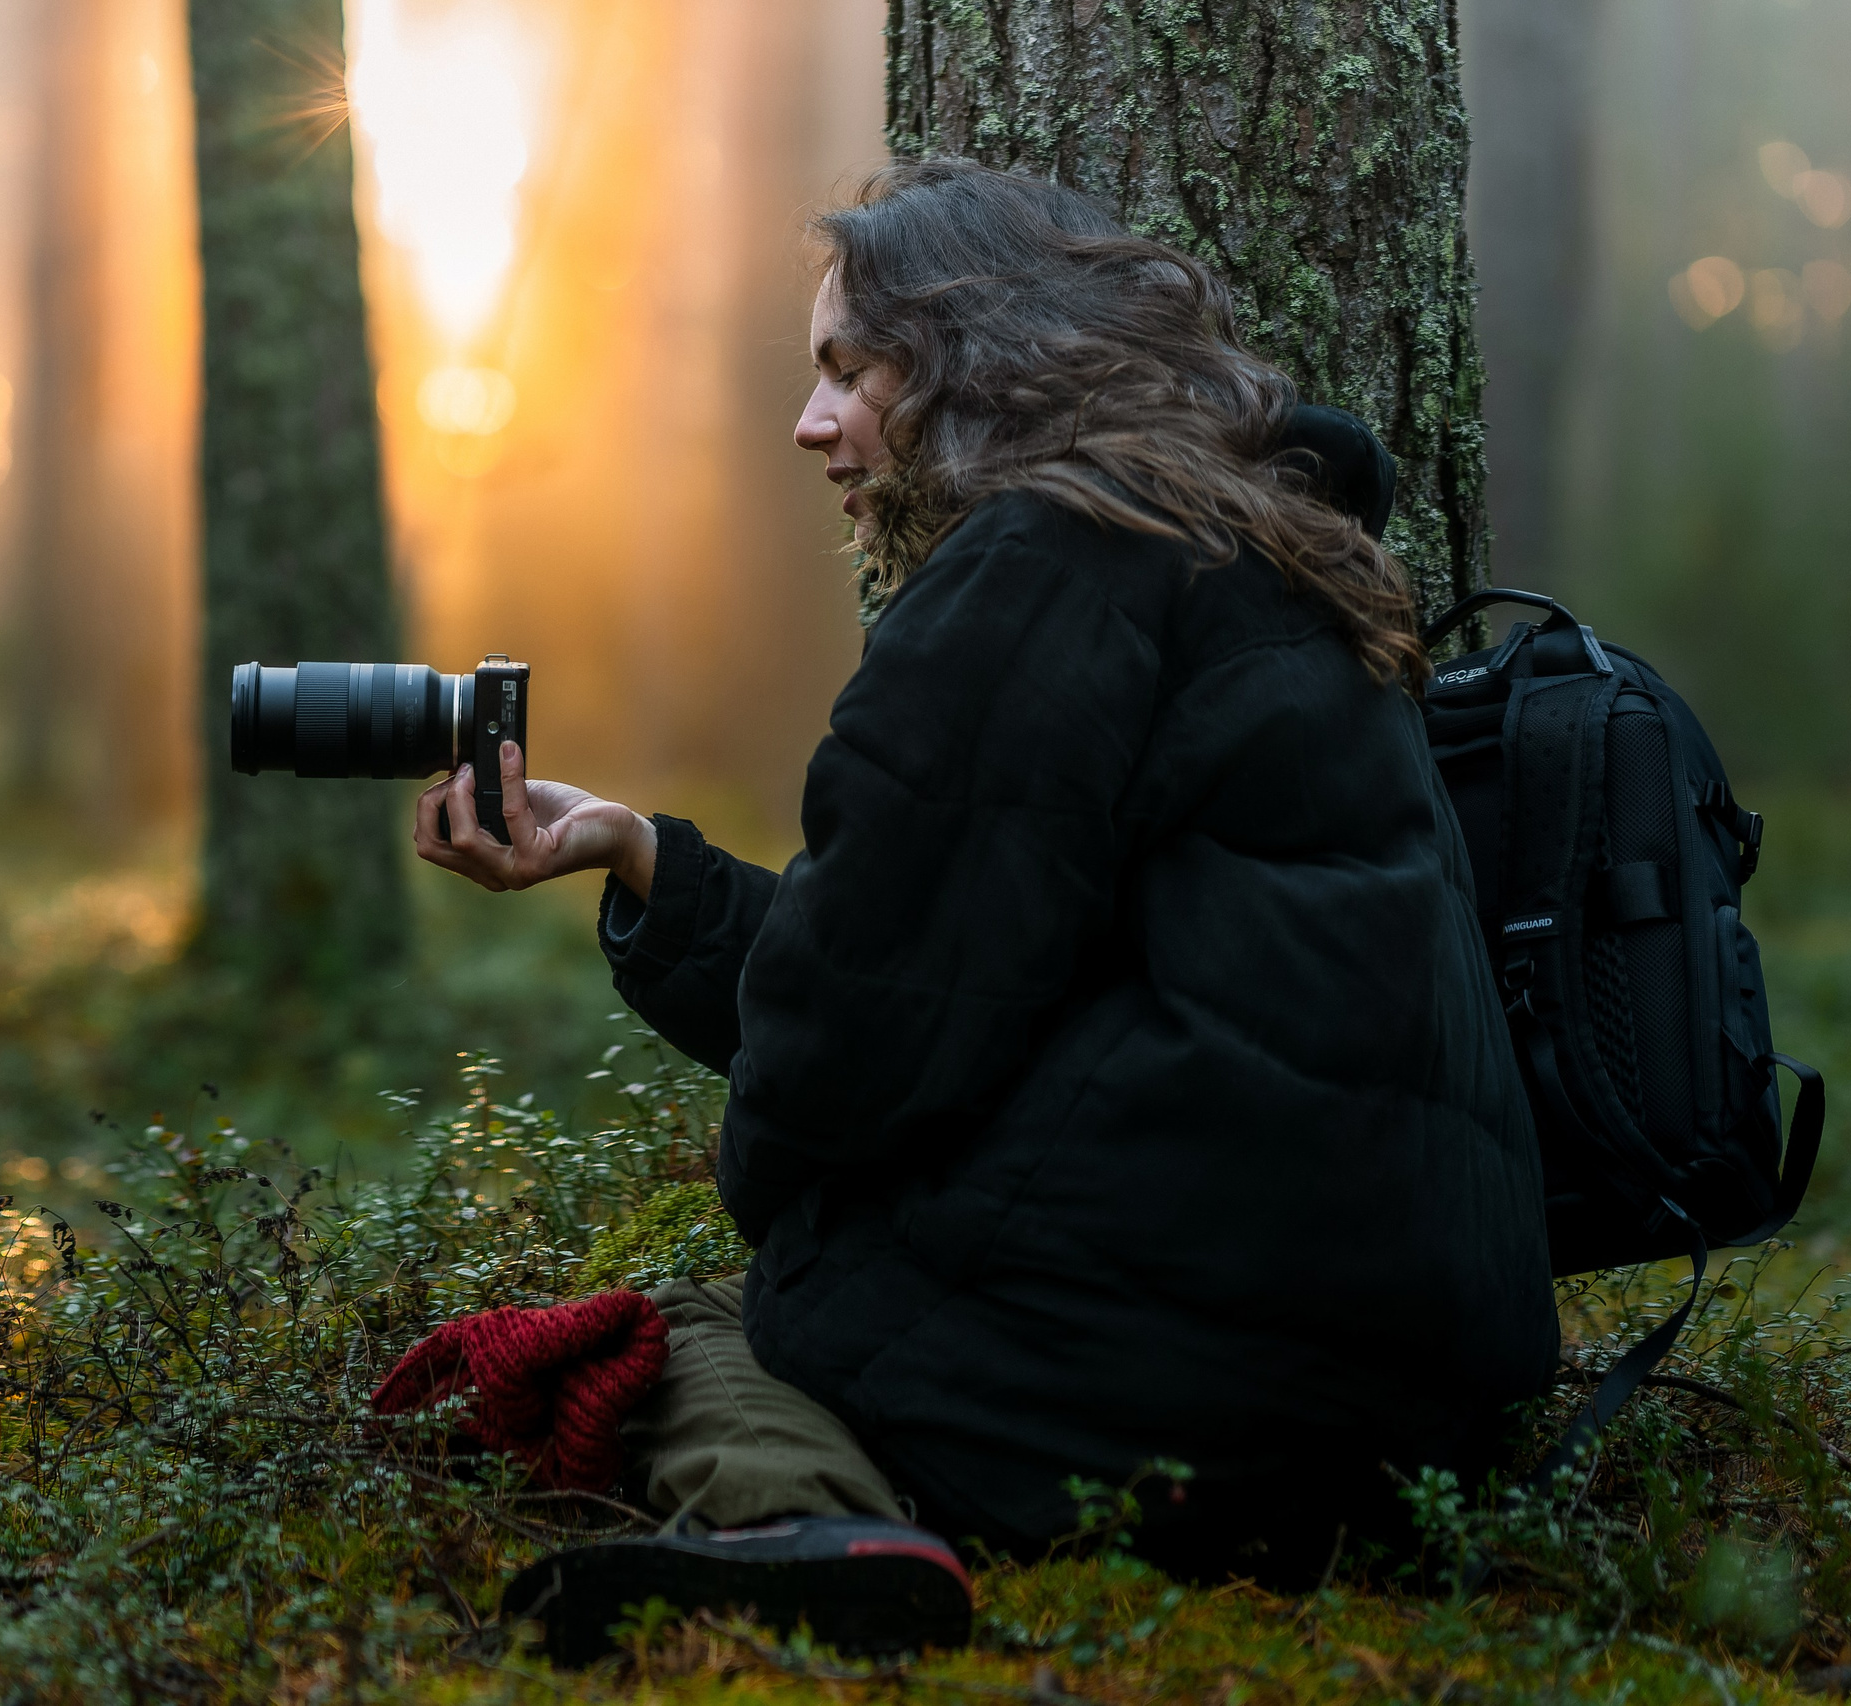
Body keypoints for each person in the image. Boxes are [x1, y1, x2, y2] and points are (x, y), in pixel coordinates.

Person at [412, 158, 1556, 1659]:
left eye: (850, 370)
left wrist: (792, 1221)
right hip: (1436, 1424)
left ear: (977, 354)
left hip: (1194, 1382)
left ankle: (799, 1535)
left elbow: (854, 1037)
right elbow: (953, 963)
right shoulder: (1275, 557)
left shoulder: (1041, 557)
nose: (811, 421)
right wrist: (641, 858)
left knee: (709, 1322)